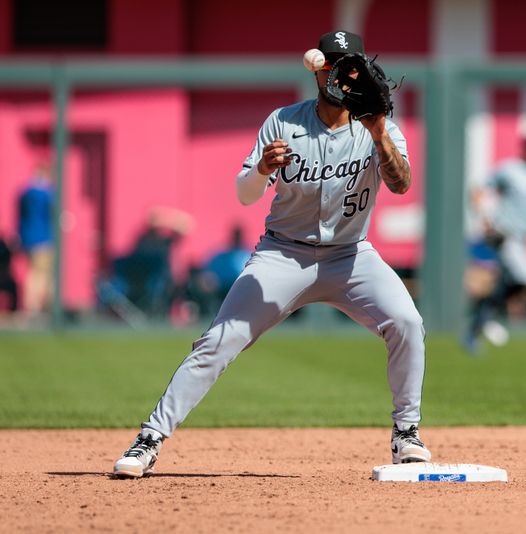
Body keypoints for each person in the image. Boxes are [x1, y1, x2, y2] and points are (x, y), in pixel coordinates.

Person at [113, 30, 431, 478]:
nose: (341, 73)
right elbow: (245, 194)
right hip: (283, 254)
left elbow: (401, 184)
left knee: (407, 322)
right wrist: (262, 169)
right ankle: (149, 438)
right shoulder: (284, 122)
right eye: (333, 65)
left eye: (349, 65)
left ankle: (406, 433)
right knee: (219, 340)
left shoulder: (378, 125)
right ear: (319, 70)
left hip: (351, 255)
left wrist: (378, 134)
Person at [464, 135, 526, 353]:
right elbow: (478, 189)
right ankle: (486, 317)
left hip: (522, 238)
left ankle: (483, 316)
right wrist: (484, 218)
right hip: (503, 233)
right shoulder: (510, 170)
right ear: (524, 148)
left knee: (515, 282)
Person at [17, 163, 54, 317]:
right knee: (42, 274)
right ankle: (39, 307)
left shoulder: (24, 194)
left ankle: (31, 306)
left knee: (32, 272)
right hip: (44, 239)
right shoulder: (46, 195)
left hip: (28, 239)